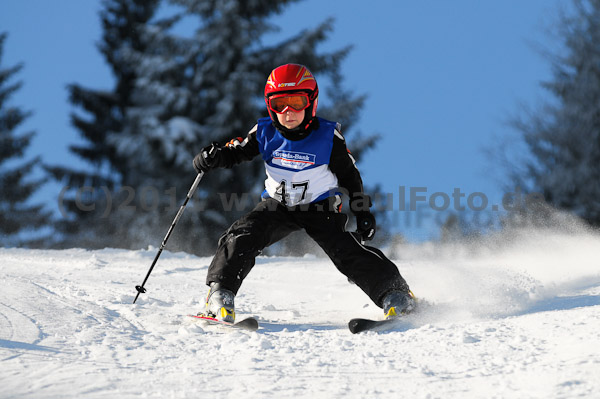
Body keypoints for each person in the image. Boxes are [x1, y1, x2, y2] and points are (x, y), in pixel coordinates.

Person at [193, 63, 414, 323]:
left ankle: (396, 295)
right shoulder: (264, 131)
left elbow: (350, 177)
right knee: (242, 235)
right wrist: (214, 157)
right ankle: (220, 295)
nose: (288, 112)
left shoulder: (328, 137)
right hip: (277, 205)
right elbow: (237, 151)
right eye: (279, 104)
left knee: (346, 250)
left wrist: (362, 210)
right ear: (269, 106)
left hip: (319, 207)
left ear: (311, 102)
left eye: (296, 102)